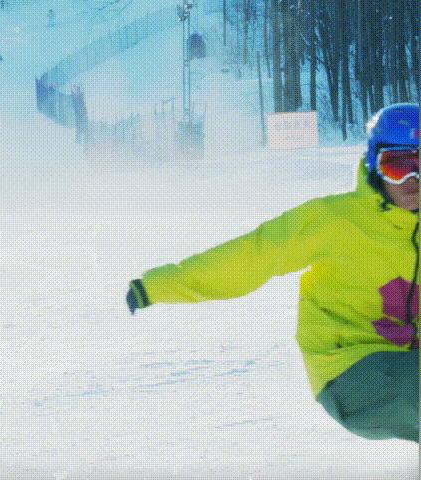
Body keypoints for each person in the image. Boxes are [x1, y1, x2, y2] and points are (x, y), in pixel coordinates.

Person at [126, 103, 420, 442]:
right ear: (374, 165)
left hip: (407, 372)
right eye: (398, 167)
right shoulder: (334, 221)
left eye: (420, 166)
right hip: (349, 370)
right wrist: (160, 285)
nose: (412, 181)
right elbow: (255, 255)